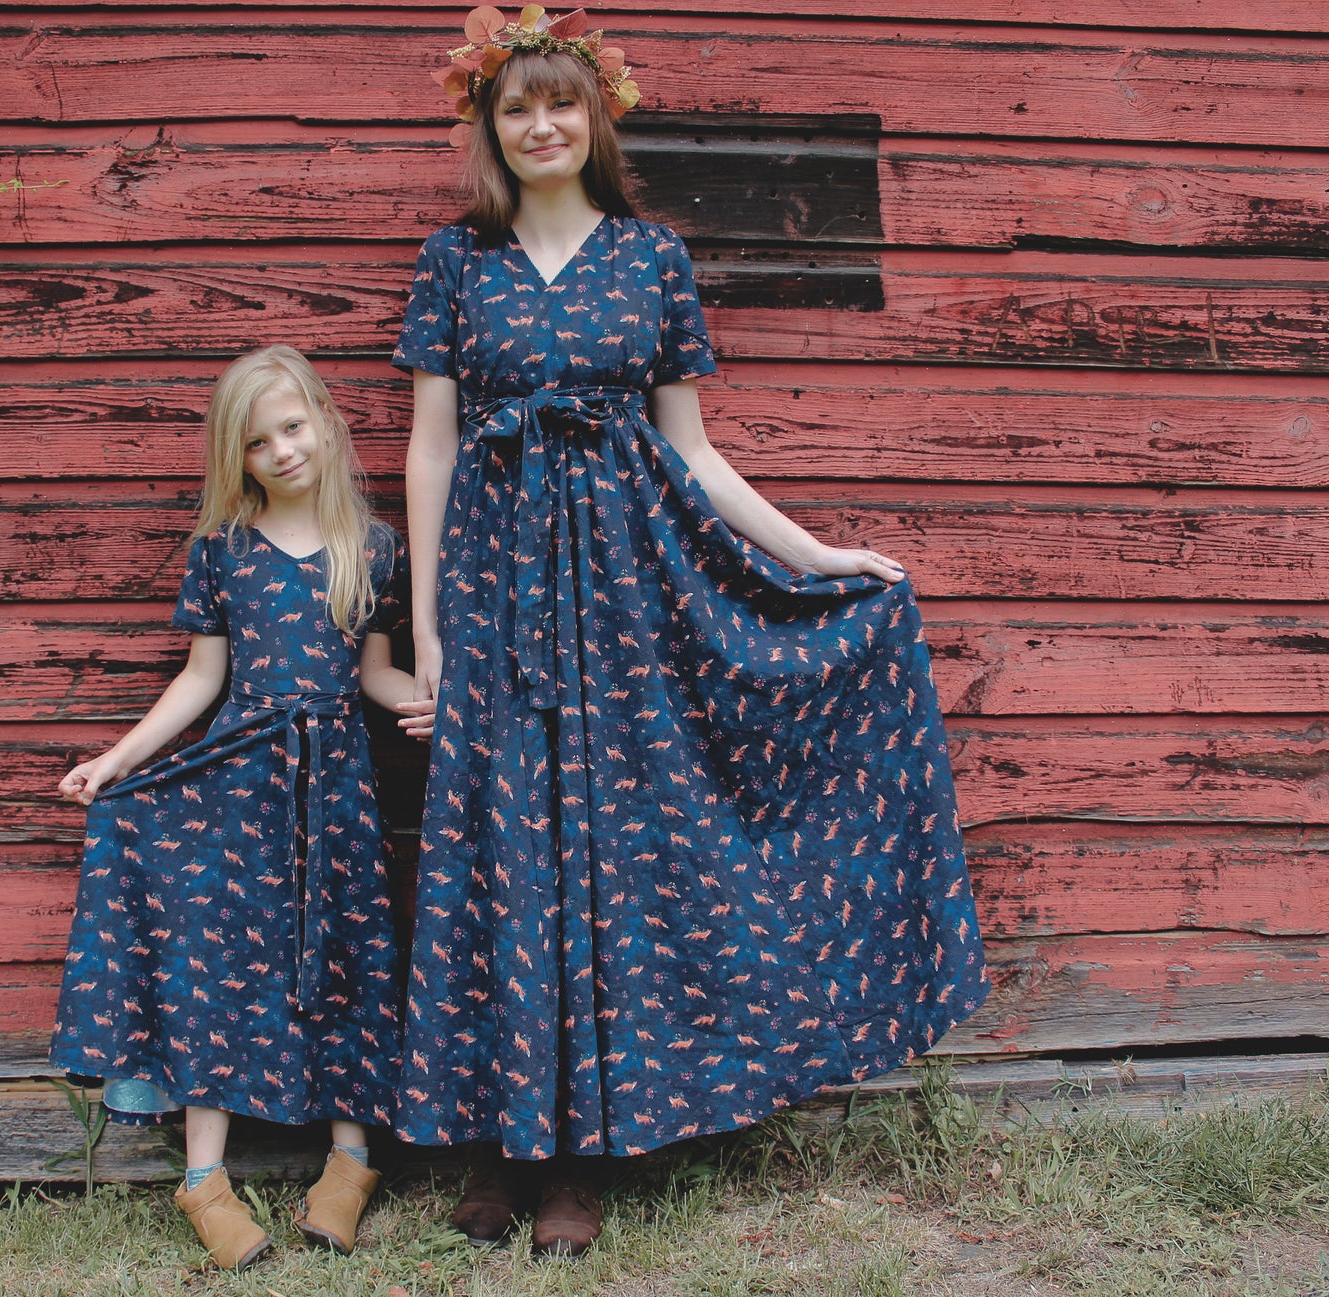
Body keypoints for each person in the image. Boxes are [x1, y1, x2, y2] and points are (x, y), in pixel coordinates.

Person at [394, 7, 991, 1256]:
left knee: (611, 855)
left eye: (560, 103)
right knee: (504, 845)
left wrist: (816, 554)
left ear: (594, 116)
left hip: (627, 595)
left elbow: (693, 452)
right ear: (487, 128)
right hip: (499, 591)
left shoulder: (651, 258)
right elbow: (430, 444)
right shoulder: (456, 260)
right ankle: (502, 1147)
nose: (540, 125)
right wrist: (434, 629)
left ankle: (588, 1160)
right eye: (516, 108)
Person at [49, 345, 435, 1268]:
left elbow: (373, 672)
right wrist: (114, 759)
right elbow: (202, 679)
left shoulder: (376, 550)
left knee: (347, 953)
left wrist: (427, 702)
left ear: (327, 424)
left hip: (337, 792)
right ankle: (203, 1181)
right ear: (240, 456)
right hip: (239, 788)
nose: (283, 450)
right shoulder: (223, 550)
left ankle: (350, 1165)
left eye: (294, 427)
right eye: (259, 441)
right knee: (218, 964)